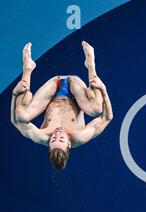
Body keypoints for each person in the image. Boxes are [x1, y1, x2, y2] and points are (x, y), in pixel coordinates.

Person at [10, 41, 113, 169]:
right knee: (96, 109)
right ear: (69, 144)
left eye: (53, 140)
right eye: (62, 139)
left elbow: (15, 122)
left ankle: (28, 69)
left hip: (53, 89)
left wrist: (15, 94)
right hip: (74, 88)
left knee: (21, 116)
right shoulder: (80, 136)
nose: (57, 134)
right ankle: (91, 65)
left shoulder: (41, 137)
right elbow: (107, 118)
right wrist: (103, 90)